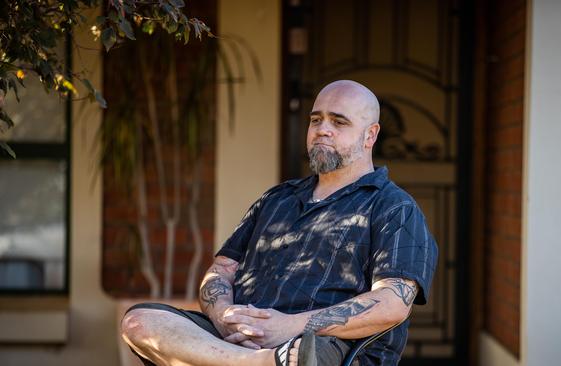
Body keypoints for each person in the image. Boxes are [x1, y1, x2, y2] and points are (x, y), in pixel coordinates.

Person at [121, 80, 438, 366]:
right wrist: (224, 316)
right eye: (316, 119)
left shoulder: (393, 207)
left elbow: (393, 303)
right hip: (244, 343)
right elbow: (221, 270)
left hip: (322, 347)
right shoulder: (276, 199)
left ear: (370, 135)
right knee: (140, 322)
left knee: (303, 358)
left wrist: (288, 326)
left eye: (339, 121)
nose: (322, 129)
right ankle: (252, 364)